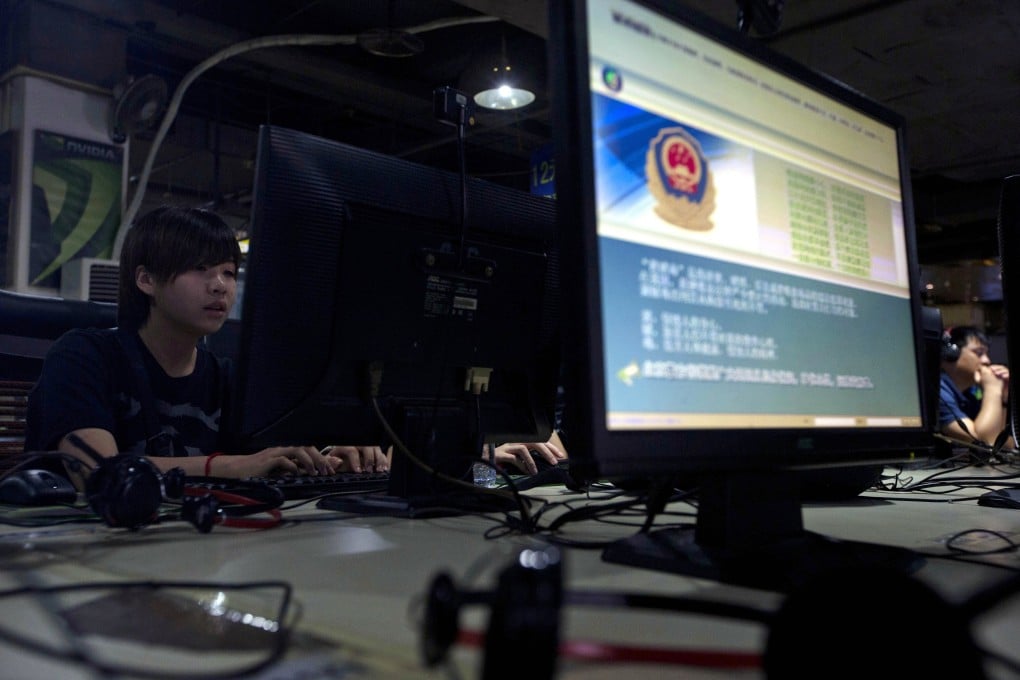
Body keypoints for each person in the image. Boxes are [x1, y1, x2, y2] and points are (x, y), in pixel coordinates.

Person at [25, 205, 387, 484]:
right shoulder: (83, 356)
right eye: (200, 268)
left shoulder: (228, 378)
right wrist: (224, 466)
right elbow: (97, 473)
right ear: (146, 280)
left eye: (228, 272)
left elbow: (264, 457)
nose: (221, 286)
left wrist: (329, 455)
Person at [938, 325, 1010, 447]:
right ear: (950, 353)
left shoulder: (971, 392)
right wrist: (992, 389)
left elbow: (1004, 443)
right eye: (979, 353)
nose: (987, 360)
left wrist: (1003, 396)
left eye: (986, 353)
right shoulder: (938, 391)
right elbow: (984, 442)